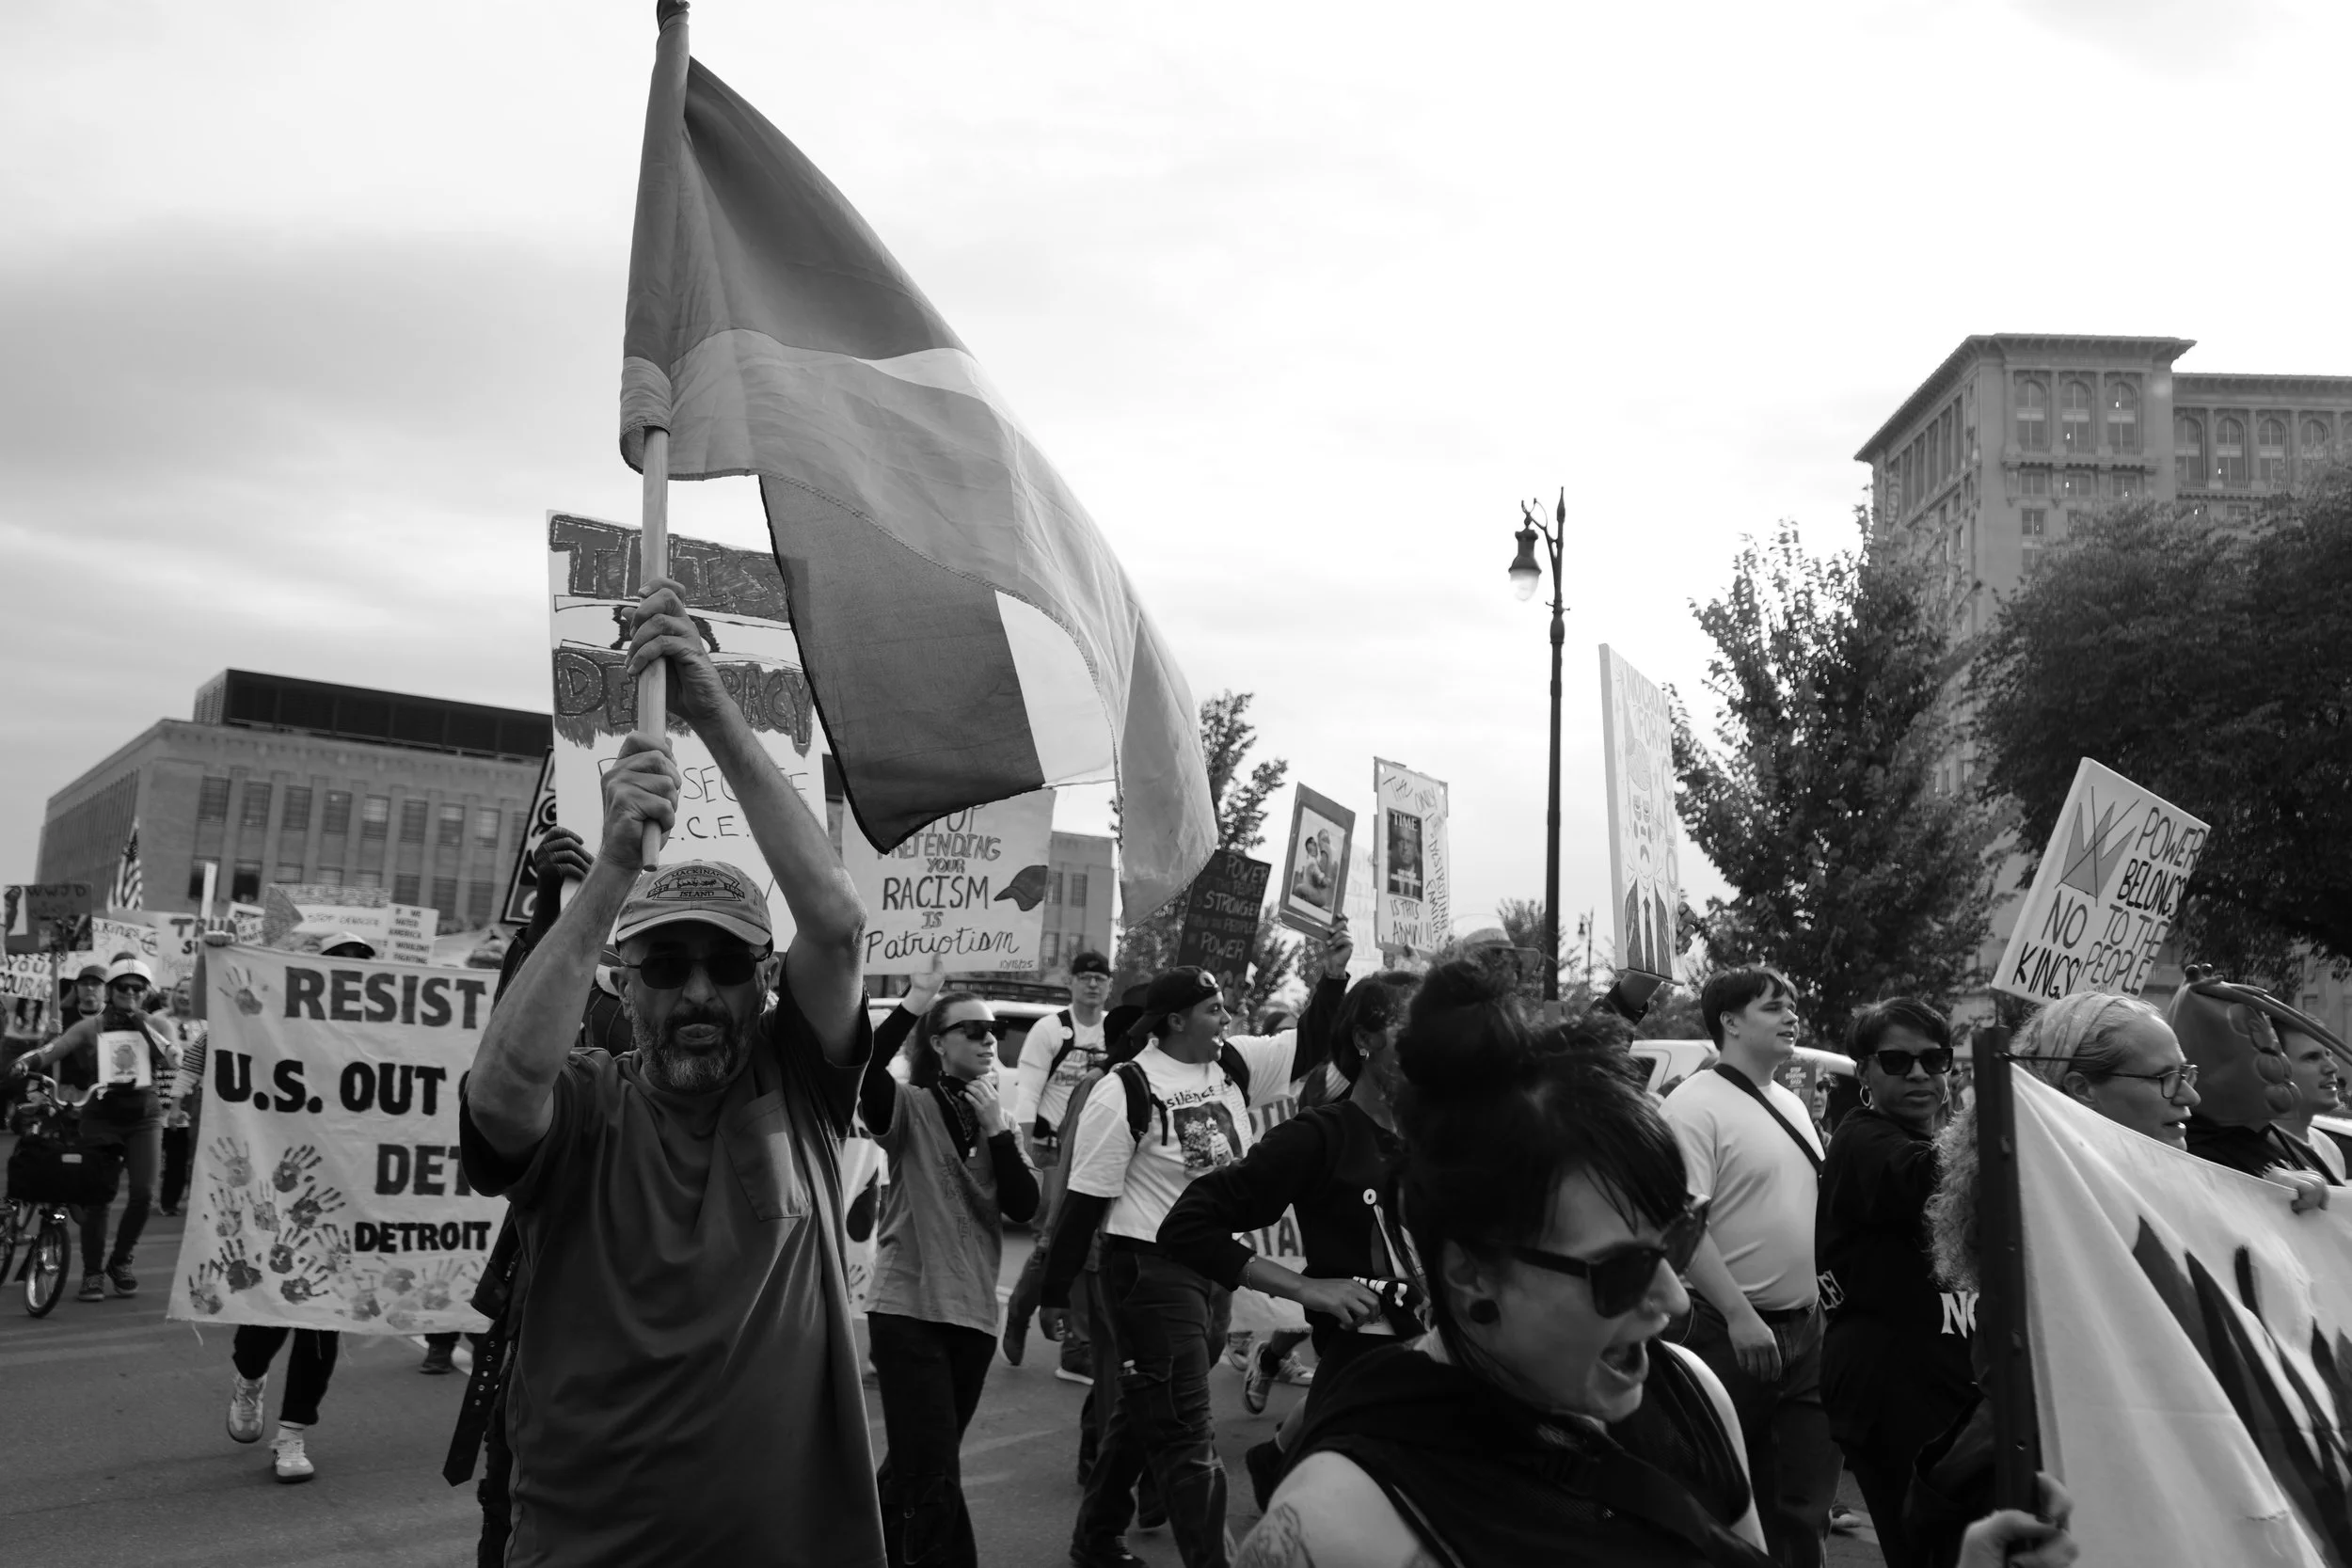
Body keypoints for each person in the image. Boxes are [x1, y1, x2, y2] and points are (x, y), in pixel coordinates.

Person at [458, 574, 883, 1566]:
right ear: (624, 981)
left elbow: (835, 923)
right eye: (665, 966)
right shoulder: (587, 1102)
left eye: (727, 965)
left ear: (764, 979)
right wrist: (610, 871)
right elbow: (500, 1095)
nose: (698, 992)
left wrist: (707, 702)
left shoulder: (799, 1083)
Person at [1242, 960, 1772, 1566]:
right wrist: (1308, 1289)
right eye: (1618, 1272)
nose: (1674, 1300)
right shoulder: (1339, 1529)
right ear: (1472, 1273)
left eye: (1680, 1238)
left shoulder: (1691, 1395)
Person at [1039, 954, 1343, 1568]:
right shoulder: (1125, 1089)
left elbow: (1309, 1043)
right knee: (1186, 1427)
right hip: (1148, 1272)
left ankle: (1095, 1538)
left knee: (1147, 1404)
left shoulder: (1231, 1063)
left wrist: (1333, 977)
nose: (1227, 1018)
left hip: (1212, 1268)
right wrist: (1053, 1292)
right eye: (1213, 1009)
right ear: (1175, 1020)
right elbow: (1084, 1200)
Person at [1158, 966, 1422, 1509]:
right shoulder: (1320, 1136)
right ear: (1365, 1039)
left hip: (1439, 1357)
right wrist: (1307, 1289)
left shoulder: (1445, 1136)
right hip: (1366, 1365)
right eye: (1413, 1027)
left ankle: (1276, 1458)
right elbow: (1188, 1226)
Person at [1661, 968, 1840, 1568]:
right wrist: (1739, 1316)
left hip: (1806, 1332)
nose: (1791, 1016)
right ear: (1730, 1022)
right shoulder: (1691, 1106)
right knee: (1717, 1502)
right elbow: (1683, 1223)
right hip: (1723, 1332)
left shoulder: (1789, 1102)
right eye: (1773, 1007)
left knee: (1804, 1510)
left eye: (1792, 1005)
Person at [860, 978, 1041, 1567]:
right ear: (938, 1043)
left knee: (917, 1468)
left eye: (996, 1030)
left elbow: (1023, 1206)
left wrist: (997, 1130)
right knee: (933, 1471)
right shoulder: (910, 1106)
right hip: (907, 1307)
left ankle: (853, 1544)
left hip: (974, 1316)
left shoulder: (1001, 1122)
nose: (990, 1040)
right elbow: (863, 1069)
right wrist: (915, 999)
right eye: (975, 1029)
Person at [1816, 1000, 1972, 1568]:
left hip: (1949, 1384)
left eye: (1935, 1059)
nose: (1919, 1074)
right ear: (1864, 1071)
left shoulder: (1934, 1139)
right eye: (1897, 1061)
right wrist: (2007, 1113)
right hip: (1891, 1392)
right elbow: (1923, 1179)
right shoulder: (1861, 1139)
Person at [11, 956, 177, 1302]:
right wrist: (28, 1061)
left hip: (145, 1117)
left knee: (144, 1195)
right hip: (101, 1116)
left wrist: (141, 1024)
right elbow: (56, 1048)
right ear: (111, 990)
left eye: (138, 988)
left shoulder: (158, 1024)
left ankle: (121, 1261)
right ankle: (92, 1272)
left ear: (146, 992)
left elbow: (174, 1059)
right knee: (97, 1196)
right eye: (123, 987)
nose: (130, 993)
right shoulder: (93, 1026)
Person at [1003, 946, 1117, 1378]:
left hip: (1099, 1148)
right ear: (1071, 982)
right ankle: (1019, 1312)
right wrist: (1028, 1153)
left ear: (1109, 985)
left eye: (1100, 977)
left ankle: (1077, 1342)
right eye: (1085, 976)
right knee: (1052, 1242)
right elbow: (1029, 1091)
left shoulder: (1113, 1031)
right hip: (1053, 1149)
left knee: (1090, 1245)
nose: (1093, 984)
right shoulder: (1052, 1029)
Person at [156, 977, 203, 1215]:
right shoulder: (158, 1020)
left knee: (185, 1151)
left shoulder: (206, 1024)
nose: (185, 997)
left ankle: (180, 1201)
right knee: (167, 1150)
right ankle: (164, 1199)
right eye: (181, 992)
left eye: (190, 992)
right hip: (162, 1091)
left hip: (194, 1095)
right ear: (173, 994)